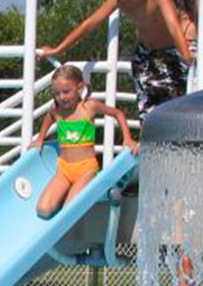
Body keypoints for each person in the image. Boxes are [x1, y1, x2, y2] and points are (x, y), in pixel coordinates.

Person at [38, 0, 196, 114]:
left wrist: (185, 54)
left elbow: (174, 27)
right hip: (145, 55)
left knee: (174, 107)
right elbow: (89, 24)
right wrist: (58, 49)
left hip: (170, 53)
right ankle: (149, 146)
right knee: (147, 109)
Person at [31, 65, 137, 219]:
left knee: (70, 208)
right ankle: (65, 195)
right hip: (64, 169)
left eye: (66, 92)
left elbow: (117, 113)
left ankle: (74, 195)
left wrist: (127, 138)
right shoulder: (57, 110)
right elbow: (48, 118)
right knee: (43, 210)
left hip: (85, 169)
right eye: (57, 93)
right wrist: (40, 139)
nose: (62, 97)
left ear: (79, 88)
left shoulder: (89, 107)